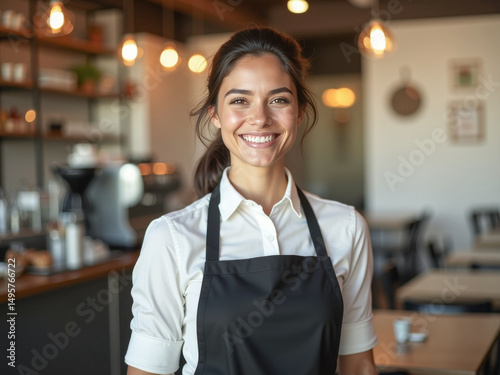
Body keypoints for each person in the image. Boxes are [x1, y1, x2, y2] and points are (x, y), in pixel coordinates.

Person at [125, 27, 378, 375]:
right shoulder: (171, 238)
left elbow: (359, 365)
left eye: (278, 99)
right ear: (215, 114)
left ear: (300, 112)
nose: (260, 118)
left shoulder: (346, 227)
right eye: (240, 100)